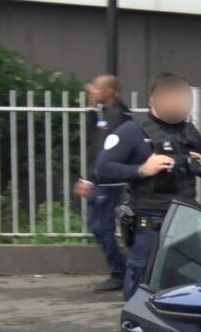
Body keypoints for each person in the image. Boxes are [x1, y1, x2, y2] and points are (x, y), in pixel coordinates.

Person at [95, 72, 201, 301]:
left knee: (193, 295)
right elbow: (103, 169)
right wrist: (141, 170)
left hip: (186, 227)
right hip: (151, 229)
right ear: (153, 99)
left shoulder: (189, 133)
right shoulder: (133, 132)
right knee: (142, 298)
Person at [72, 74, 131, 292]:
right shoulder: (107, 111)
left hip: (108, 182)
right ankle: (122, 270)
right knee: (98, 227)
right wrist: (90, 105)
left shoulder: (117, 115)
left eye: (98, 88)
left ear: (110, 91)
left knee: (102, 228)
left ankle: (120, 273)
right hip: (101, 180)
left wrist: (88, 179)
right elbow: (91, 138)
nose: (93, 90)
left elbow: (102, 150)